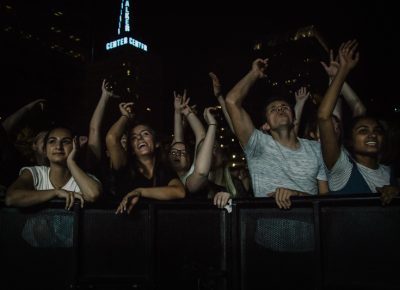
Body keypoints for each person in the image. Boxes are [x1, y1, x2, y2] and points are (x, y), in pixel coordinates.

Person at [225, 58, 328, 209]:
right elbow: (232, 101)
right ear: (266, 125)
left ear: (294, 119)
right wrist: (254, 73)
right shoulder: (257, 144)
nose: (280, 109)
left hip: (309, 228)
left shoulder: (316, 149)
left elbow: (326, 199)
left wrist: (298, 196)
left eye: (284, 107)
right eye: (273, 109)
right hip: (268, 227)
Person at [317, 40, 399, 204]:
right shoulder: (342, 168)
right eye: (363, 131)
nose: (372, 134)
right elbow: (324, 116)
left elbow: (359, 109)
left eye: (377, 130)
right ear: (350, 141)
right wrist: (342, 72)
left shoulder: (391, 172)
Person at [105, 102, 185, 214]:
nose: (139, 138)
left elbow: (179, 192)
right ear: (132, 149)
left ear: (156, 143)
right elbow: (111, 138)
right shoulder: (124, 165)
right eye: (133, 138)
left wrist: (140, 192)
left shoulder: (163, 169)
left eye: (145, 134)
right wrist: (125, 116)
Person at [5, 126, 102, 209]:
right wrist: (56, 192)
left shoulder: (83, 178)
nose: (58, 146)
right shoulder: (35, 173)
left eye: (65, 142)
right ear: (45, 149)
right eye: (52, 141)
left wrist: (71, 162)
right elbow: (10, 198)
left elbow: (93, 195)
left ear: (74, 146)